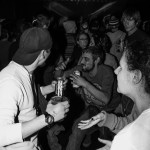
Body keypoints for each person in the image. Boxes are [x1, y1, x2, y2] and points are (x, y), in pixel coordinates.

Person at [0, 27, 69, 149]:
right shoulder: (10, 82)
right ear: (43, 53)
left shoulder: (25, 69)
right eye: (50, 51)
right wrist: (49, 117)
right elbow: (2, 134)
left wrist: (49, 88)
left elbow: (24, 97)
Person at [78, 41, 150, 150]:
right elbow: (131, 123)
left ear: (135, 77)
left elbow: (136, 135)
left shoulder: (135, 136)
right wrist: (106, 119)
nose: (116, 71)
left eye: (121, 67)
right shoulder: (140, 106)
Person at [66, 46, 120, 150]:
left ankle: (89, 133)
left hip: (110, 110)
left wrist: (85, 84)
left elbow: (105, 99)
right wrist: (60, 71)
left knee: (105, 137)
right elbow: (61, 75)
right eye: (82, 58)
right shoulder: (81, 69)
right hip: (91, 108)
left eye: (86, 59)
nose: (82, 61)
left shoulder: (106, 71)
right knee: (77, 129)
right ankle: (88, 133)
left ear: (97, 60)